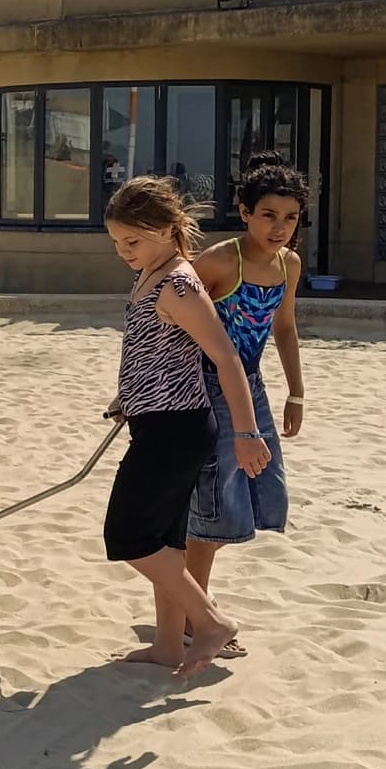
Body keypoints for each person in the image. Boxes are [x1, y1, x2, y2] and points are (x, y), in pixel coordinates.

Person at [101, 176, 270, 674]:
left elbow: (224, 356)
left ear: (168, 229)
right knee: (167, 539)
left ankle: (211, 622)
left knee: (129, 536)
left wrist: (246, 431)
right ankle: (168, 645)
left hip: (177, 431)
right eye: (116, 243)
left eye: (132, 241)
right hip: (156, 423)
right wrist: (127, 394)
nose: (123, 252)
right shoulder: (151, 275)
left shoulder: (178, 282)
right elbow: (158, 352)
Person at [186, 154, 308, 614]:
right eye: (268, 215)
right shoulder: (219, 262)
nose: (279, 227)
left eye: (291, 217)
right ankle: (195, 612)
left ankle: (191, 601)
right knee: (216, 499)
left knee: (255, 487)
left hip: (249, 386)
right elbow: (168, 322)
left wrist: (295, 392)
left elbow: (285, 327)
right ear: (245, 213)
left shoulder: (288, 264)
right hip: (205, 387)